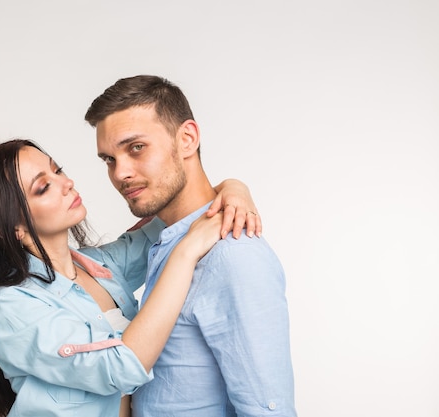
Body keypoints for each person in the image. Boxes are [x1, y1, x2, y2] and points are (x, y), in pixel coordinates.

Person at [0, 139, 262, 417]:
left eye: (57, 170)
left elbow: (181, 215)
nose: (66, 183)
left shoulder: (101, 265)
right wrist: (185, 254)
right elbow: (122, 366)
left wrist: (235, 188)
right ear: (13, 229)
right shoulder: (9, 307)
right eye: (43, 187)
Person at [85, 75, 297, 417]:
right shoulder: (164, 241)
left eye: (136, 148)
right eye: (109, 159)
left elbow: (269, 410)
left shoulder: (233, 254)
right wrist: (233, 185)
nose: (120, 172)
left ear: (187, 139)